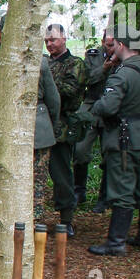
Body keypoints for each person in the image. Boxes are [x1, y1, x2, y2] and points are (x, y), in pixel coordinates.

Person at [0, 17, 60, 217]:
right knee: (35, 186)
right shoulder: (40, 61)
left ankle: (5, 225)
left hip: (4, 130)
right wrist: (52, 126)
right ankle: (32, 231)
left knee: (3, 183)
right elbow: (54, 101)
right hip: (38, 130)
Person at [88, 24, 140, 256]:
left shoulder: (123, 74)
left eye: (115, 43)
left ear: (121, 45)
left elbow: (108, 106)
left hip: (123, 137)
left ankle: (116, 242)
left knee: (122, 188)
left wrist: (95, 105)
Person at [45, 23, 88, 234]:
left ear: (63, 38)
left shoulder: (75, 64)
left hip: (61, 127)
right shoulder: (44, 63)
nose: (49, 44)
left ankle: (66, 219)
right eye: (46, 41)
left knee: (61, 175)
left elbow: (69, 91)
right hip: (42, 125)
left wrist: (44, 83)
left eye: (53, 39)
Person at [74, 29, 117, 210]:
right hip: (91, 105)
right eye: (108, 44)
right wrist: (104, 69)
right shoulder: (92, 56)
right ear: (102, 42)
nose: (111, 48)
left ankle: (104, 197)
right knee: (80, 149)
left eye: (114, 44)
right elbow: (86, 79)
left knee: (110, 152)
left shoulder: (124, 57)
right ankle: (79, 191)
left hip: (112, 109)